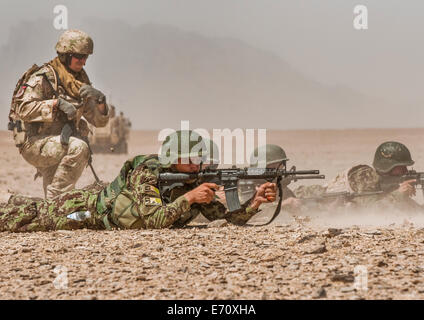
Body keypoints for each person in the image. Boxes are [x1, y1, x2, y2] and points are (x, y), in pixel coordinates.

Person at [0, 130, 276, 232]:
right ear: (173, 159)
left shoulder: (192, 178)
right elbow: (154, 220)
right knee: (31, 218)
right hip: (89, 209)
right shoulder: (148, 172)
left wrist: (254, 202)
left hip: (103, 213)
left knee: (32, 214)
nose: (196, 164)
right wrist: (189, 198)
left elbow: (225, 219)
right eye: (190, 158)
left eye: (199, 158)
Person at [8, 29, 109, 199]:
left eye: (86, 57)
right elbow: (23, 109)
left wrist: (100, 101)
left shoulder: (79, 82)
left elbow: (99, 122)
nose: (83, 61)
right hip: (35, 143)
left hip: (58, 142)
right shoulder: (44, 77)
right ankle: (56, 206)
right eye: (79, 56)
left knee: (54, 194)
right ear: (66, 55)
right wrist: (56, 104)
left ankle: (51, 212)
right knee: (79, 148)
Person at [294, 141, 423, 213]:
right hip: (311, 200)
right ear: (387, 166)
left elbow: (415, 211)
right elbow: (370, 211)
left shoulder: (389, 185)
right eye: (401, 167)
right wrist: (399, 194)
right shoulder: (365, 177)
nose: (405, 170)